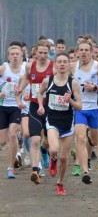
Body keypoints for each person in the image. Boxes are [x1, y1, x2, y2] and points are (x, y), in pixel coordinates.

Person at [37, 52, 82, 195]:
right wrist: (41, 105)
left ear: (69, 64)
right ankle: (52, 159)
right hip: (52, 121)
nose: (62, 64)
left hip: (68, 124)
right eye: (59, 62)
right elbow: (39, 93)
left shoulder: (73, 82)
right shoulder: (47, 81)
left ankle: (60, 182)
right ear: (55, 64)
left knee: (64, 157)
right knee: (54, 149)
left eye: (65, 62)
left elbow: (79, 106)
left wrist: (70, 101)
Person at [17, 39, 54, 184]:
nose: (43, 55)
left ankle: (45, 154)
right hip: (34, 107)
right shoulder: (30, 66)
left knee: (47, 142)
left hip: (50, 108)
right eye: (40, 52)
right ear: (36, 52)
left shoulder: (54, 67)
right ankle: (35, 170)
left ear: (49, 53)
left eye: (46, 53)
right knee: (35, 140)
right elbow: (26, 78)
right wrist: (21, 88)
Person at [70, 41, 98, 184]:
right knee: (80, 137)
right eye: (81, 50)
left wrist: (96, 87)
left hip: (95, 108)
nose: (83, 53)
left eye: (86, 50)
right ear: (77, 52)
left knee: (94, 140)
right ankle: (84, 170)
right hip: (80, 109)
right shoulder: (73, 67)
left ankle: (88, 157)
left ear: (91, 52)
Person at [0, 45, 26, 178]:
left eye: (17, 54)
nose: (15, 56)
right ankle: (16, 152)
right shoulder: (3, 68)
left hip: (17, 107)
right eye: (12, 54)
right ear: (8, 56)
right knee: (3, 141)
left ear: (21, 56)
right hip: (3, 107)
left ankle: (10, 167)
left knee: (13, 134)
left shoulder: (24, 70)